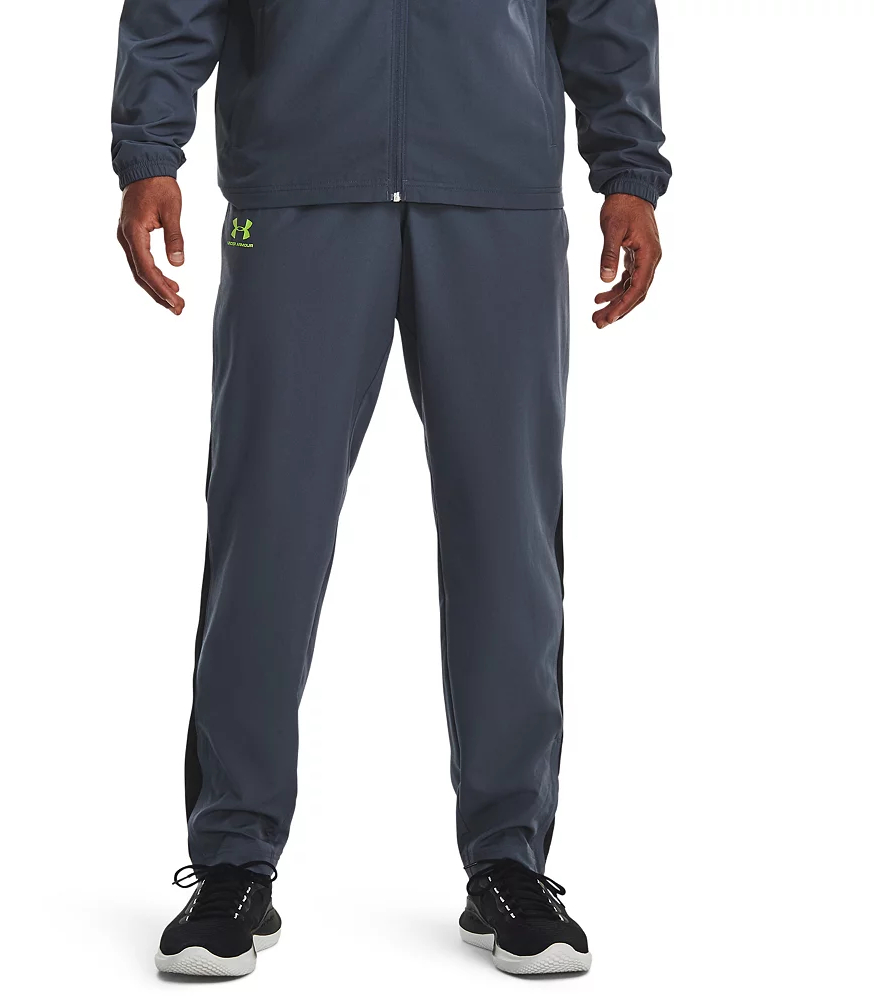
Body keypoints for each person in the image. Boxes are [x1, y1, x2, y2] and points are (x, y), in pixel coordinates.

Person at [112, 0, 669, 978]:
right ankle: (233, 862)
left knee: (508, 541)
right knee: (266, 536)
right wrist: (149, 151)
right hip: (298, 183)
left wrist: (627, 168)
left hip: (494, 184)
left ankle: (508, 861)